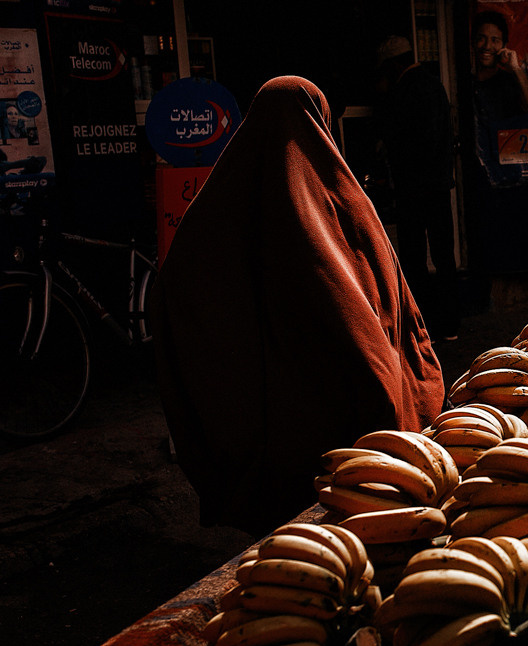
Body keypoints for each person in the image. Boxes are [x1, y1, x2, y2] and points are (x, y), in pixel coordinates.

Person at [149, 75, 445, 534]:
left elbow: (179, 292)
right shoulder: (345, 201)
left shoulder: (213, 209)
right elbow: (387, 306)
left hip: (258, 429)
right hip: (341, 433)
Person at [373, 35, 460, 343]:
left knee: (414, 258)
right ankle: (450, 325)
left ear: (393, 65)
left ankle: (423, 326)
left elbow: (402, 144)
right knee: (444, 255)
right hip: (438, 186)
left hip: (414, 189)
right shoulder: (435, 86)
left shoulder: (402, 91)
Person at [471, 10, 528, 124]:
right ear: (473, 42)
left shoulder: (511, 81)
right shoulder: (463, 83)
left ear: (504, 45)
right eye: (481, 39)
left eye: (494, 40)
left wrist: (516, 69)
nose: (487, 46)